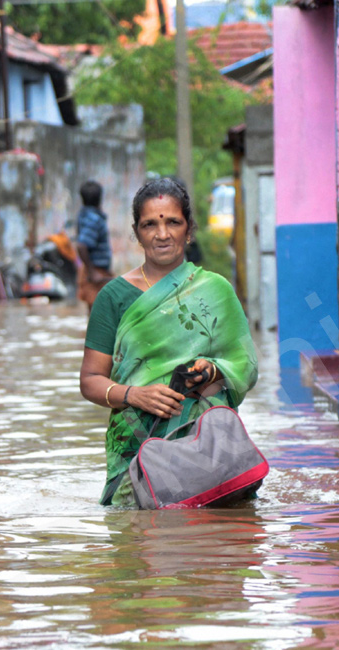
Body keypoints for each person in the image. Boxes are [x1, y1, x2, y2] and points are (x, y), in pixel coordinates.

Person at [78, 176, 259, 506]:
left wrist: (213, 371)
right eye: (149, 224)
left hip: (210, 450)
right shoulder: (113, 297)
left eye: (173, 222)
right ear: (137, 232)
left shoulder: (216, 291)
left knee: (222, 539)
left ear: (189, 229)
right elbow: (90, 381)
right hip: (137, 446)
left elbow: (245, 364)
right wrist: (136, 395)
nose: (162, 234)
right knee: (140, 536)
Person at [75, 180, 113, 313]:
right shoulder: (93, 219)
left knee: (96, 313)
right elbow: (81, 245)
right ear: (100, 198)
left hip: (95, 271)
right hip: (96, 271)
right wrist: (92, 271)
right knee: (99, 314)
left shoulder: (85, 215)